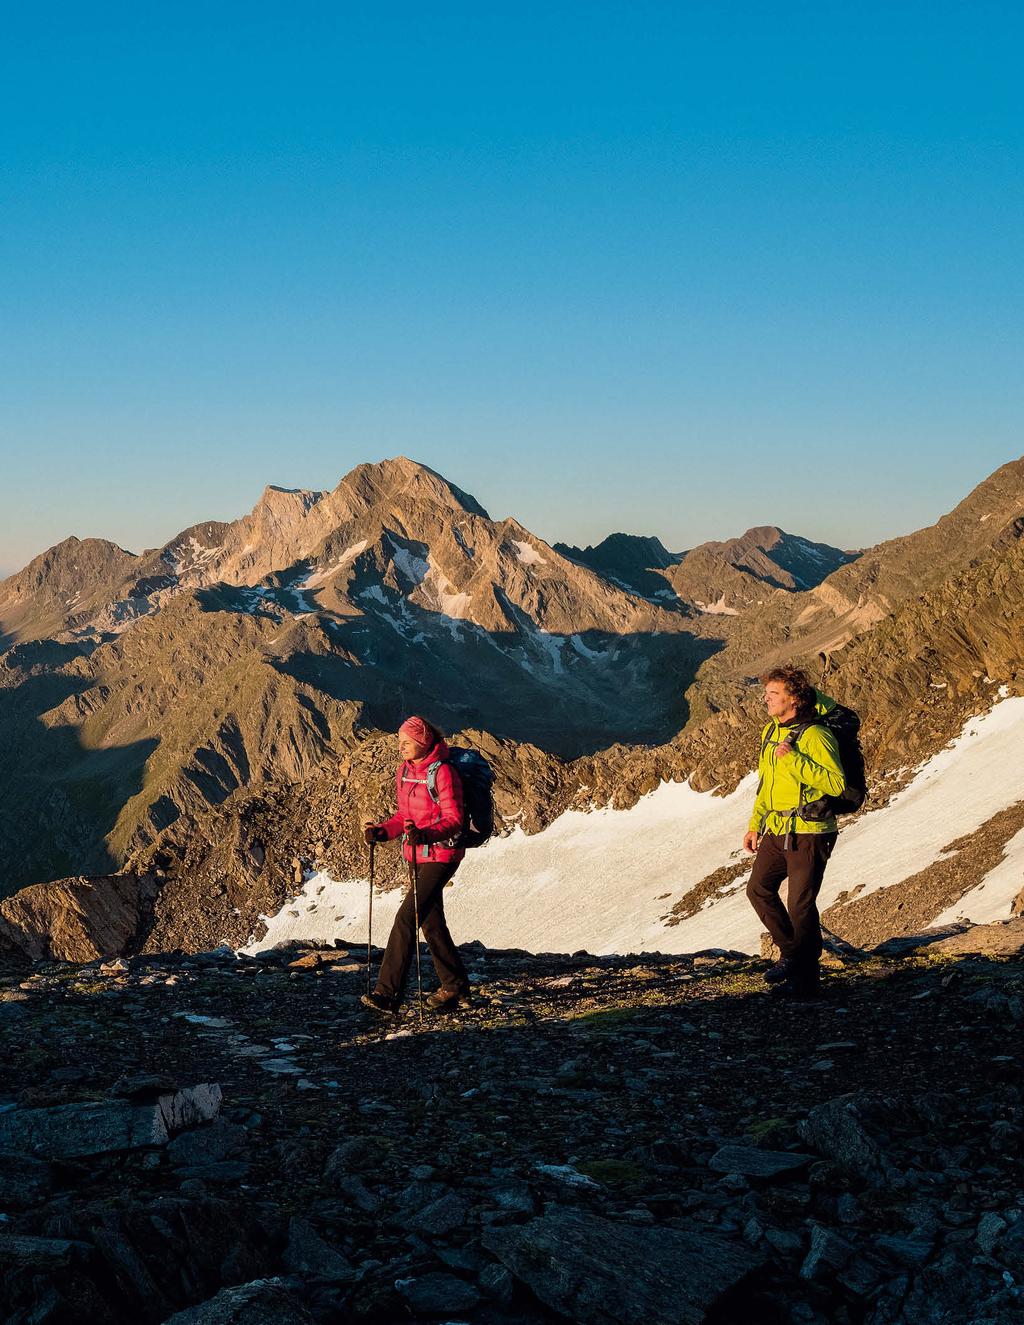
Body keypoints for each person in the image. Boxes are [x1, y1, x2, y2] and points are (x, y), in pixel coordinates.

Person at [743, 666, 846, 999]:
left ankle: (806, 979)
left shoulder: (816, 736)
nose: (766, 699)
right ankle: (794, 955)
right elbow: (766, 785)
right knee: (758, 890)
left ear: (794, 699)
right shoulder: (770, 732)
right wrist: (755, 824)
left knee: (800, 905)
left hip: (810, 830)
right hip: (776, 827)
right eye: (767, 692)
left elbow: (835, 783)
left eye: (773, 694)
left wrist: (794, 760)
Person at [360, 716, 471, 1013]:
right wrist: (382, 831)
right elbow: (402, 818)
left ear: (422, 741)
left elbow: (455, 819)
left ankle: (387, 994)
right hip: (417, 854)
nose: (401, 747)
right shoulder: (405, 772)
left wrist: (426, 834)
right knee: (431, 922)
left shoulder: (443, 772)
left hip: (442, 855)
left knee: (406, 919)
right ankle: (455, 986)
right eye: (399, 742)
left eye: (406, 742)